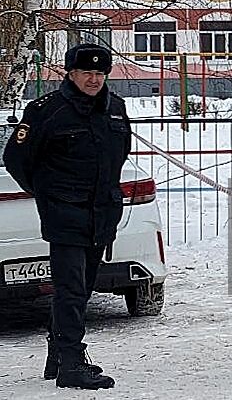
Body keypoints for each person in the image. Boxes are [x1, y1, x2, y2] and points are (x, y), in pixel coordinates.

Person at [3, 43, 132, 390]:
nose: (94, 79)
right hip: (64, 214)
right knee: (71, 289)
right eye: (87, 73)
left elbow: (119, 157)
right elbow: (16, 159)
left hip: (101, 214)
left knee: (82, 288)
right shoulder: (46, 110)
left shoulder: (115, 110)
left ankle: (57, 354)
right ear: (70, 73)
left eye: (100, 73)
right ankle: (73, 364)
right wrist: (48, 194)